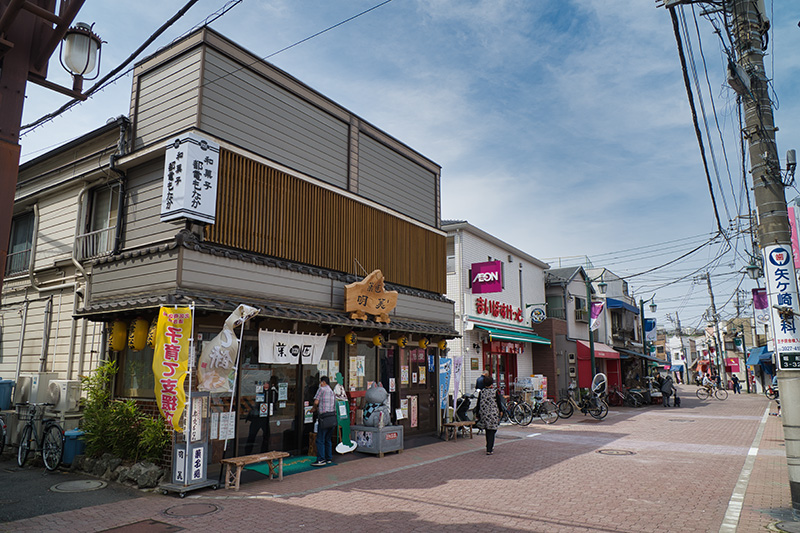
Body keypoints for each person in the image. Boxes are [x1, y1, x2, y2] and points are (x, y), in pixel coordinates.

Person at [312, 376, 336, 466]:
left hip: (324, 417)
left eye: (320, 382)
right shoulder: (332, 391)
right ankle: (328, 458)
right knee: (328, 439)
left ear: (323, 382)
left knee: (320, 439)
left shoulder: (321, 389)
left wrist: (314, 408)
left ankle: (321, 459)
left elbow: (316, 402)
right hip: (332, 417)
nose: (320, 384)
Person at [477, 375, 501, 455]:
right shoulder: (494, 392)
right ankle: (490, 448)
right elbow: (498, 402)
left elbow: (478, 404)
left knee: (488, 430)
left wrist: (477, 413)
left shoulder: (481, 392)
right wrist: (501, 411)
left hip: (484, 413)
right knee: (493, 430)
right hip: (493, 413)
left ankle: (488, 446)